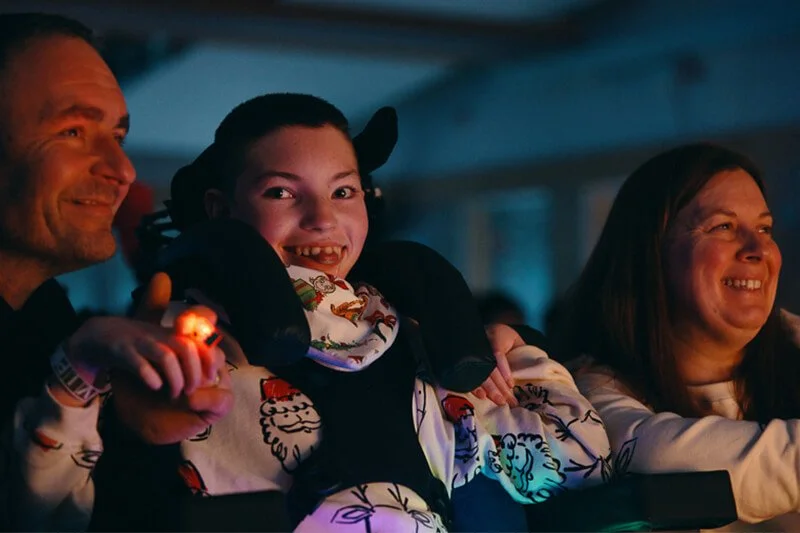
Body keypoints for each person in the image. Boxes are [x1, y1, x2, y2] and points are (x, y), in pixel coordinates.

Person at [93, 92, 610, 532]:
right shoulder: (178, 341)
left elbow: (576, 462)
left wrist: (515, 354)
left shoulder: (415, 340)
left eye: (344, 190)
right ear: (219, 211)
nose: (323, 219)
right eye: (281, 192)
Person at [0, 13, 230, 531]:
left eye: (118, 137)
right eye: (73, 130)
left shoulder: (54, 331)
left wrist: (134, 430)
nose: (122, 171)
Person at [554, 143, 800, 530]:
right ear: (651, 251)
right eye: (723, 227)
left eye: (765, 228)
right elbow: (661, 458)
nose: (759, 249)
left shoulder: (794, 339)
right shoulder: (588, 400)